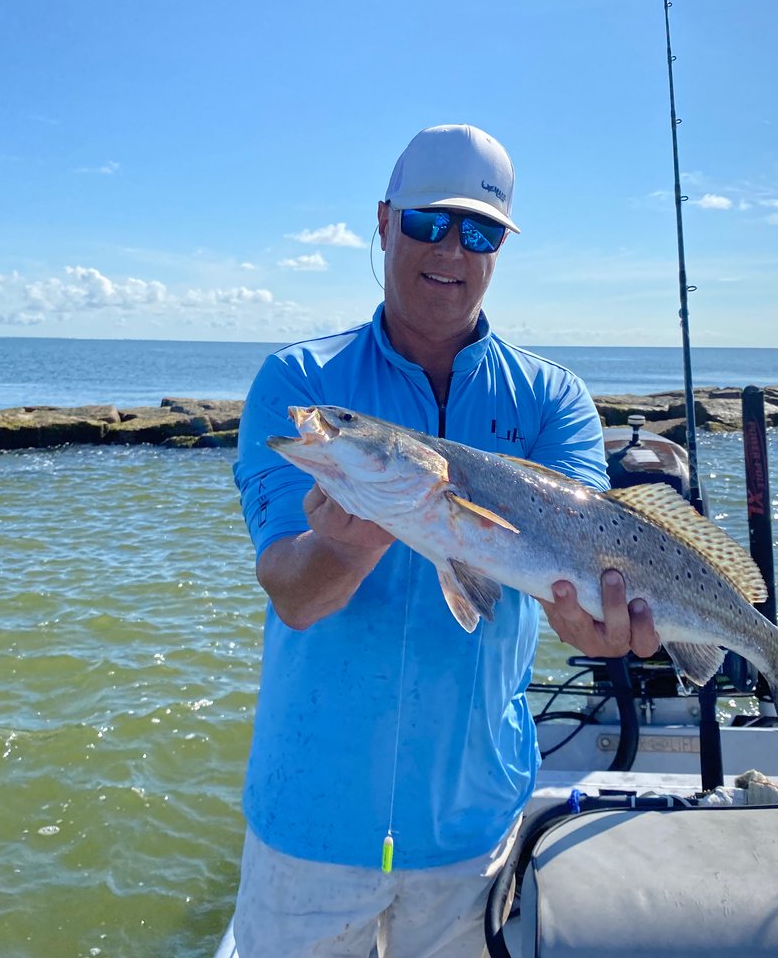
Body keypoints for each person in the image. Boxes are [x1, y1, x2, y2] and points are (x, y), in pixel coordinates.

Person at [231, 123, 659, 957]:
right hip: (309, 818)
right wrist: (352, 544)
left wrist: (602, 629)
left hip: (474, 824)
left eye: (479, 231)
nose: (450, 250)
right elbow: (293, 593)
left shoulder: (553, 399)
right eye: (428, 223)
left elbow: (589, 571)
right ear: (384, 220)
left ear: (498, 246)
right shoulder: (299, 382)